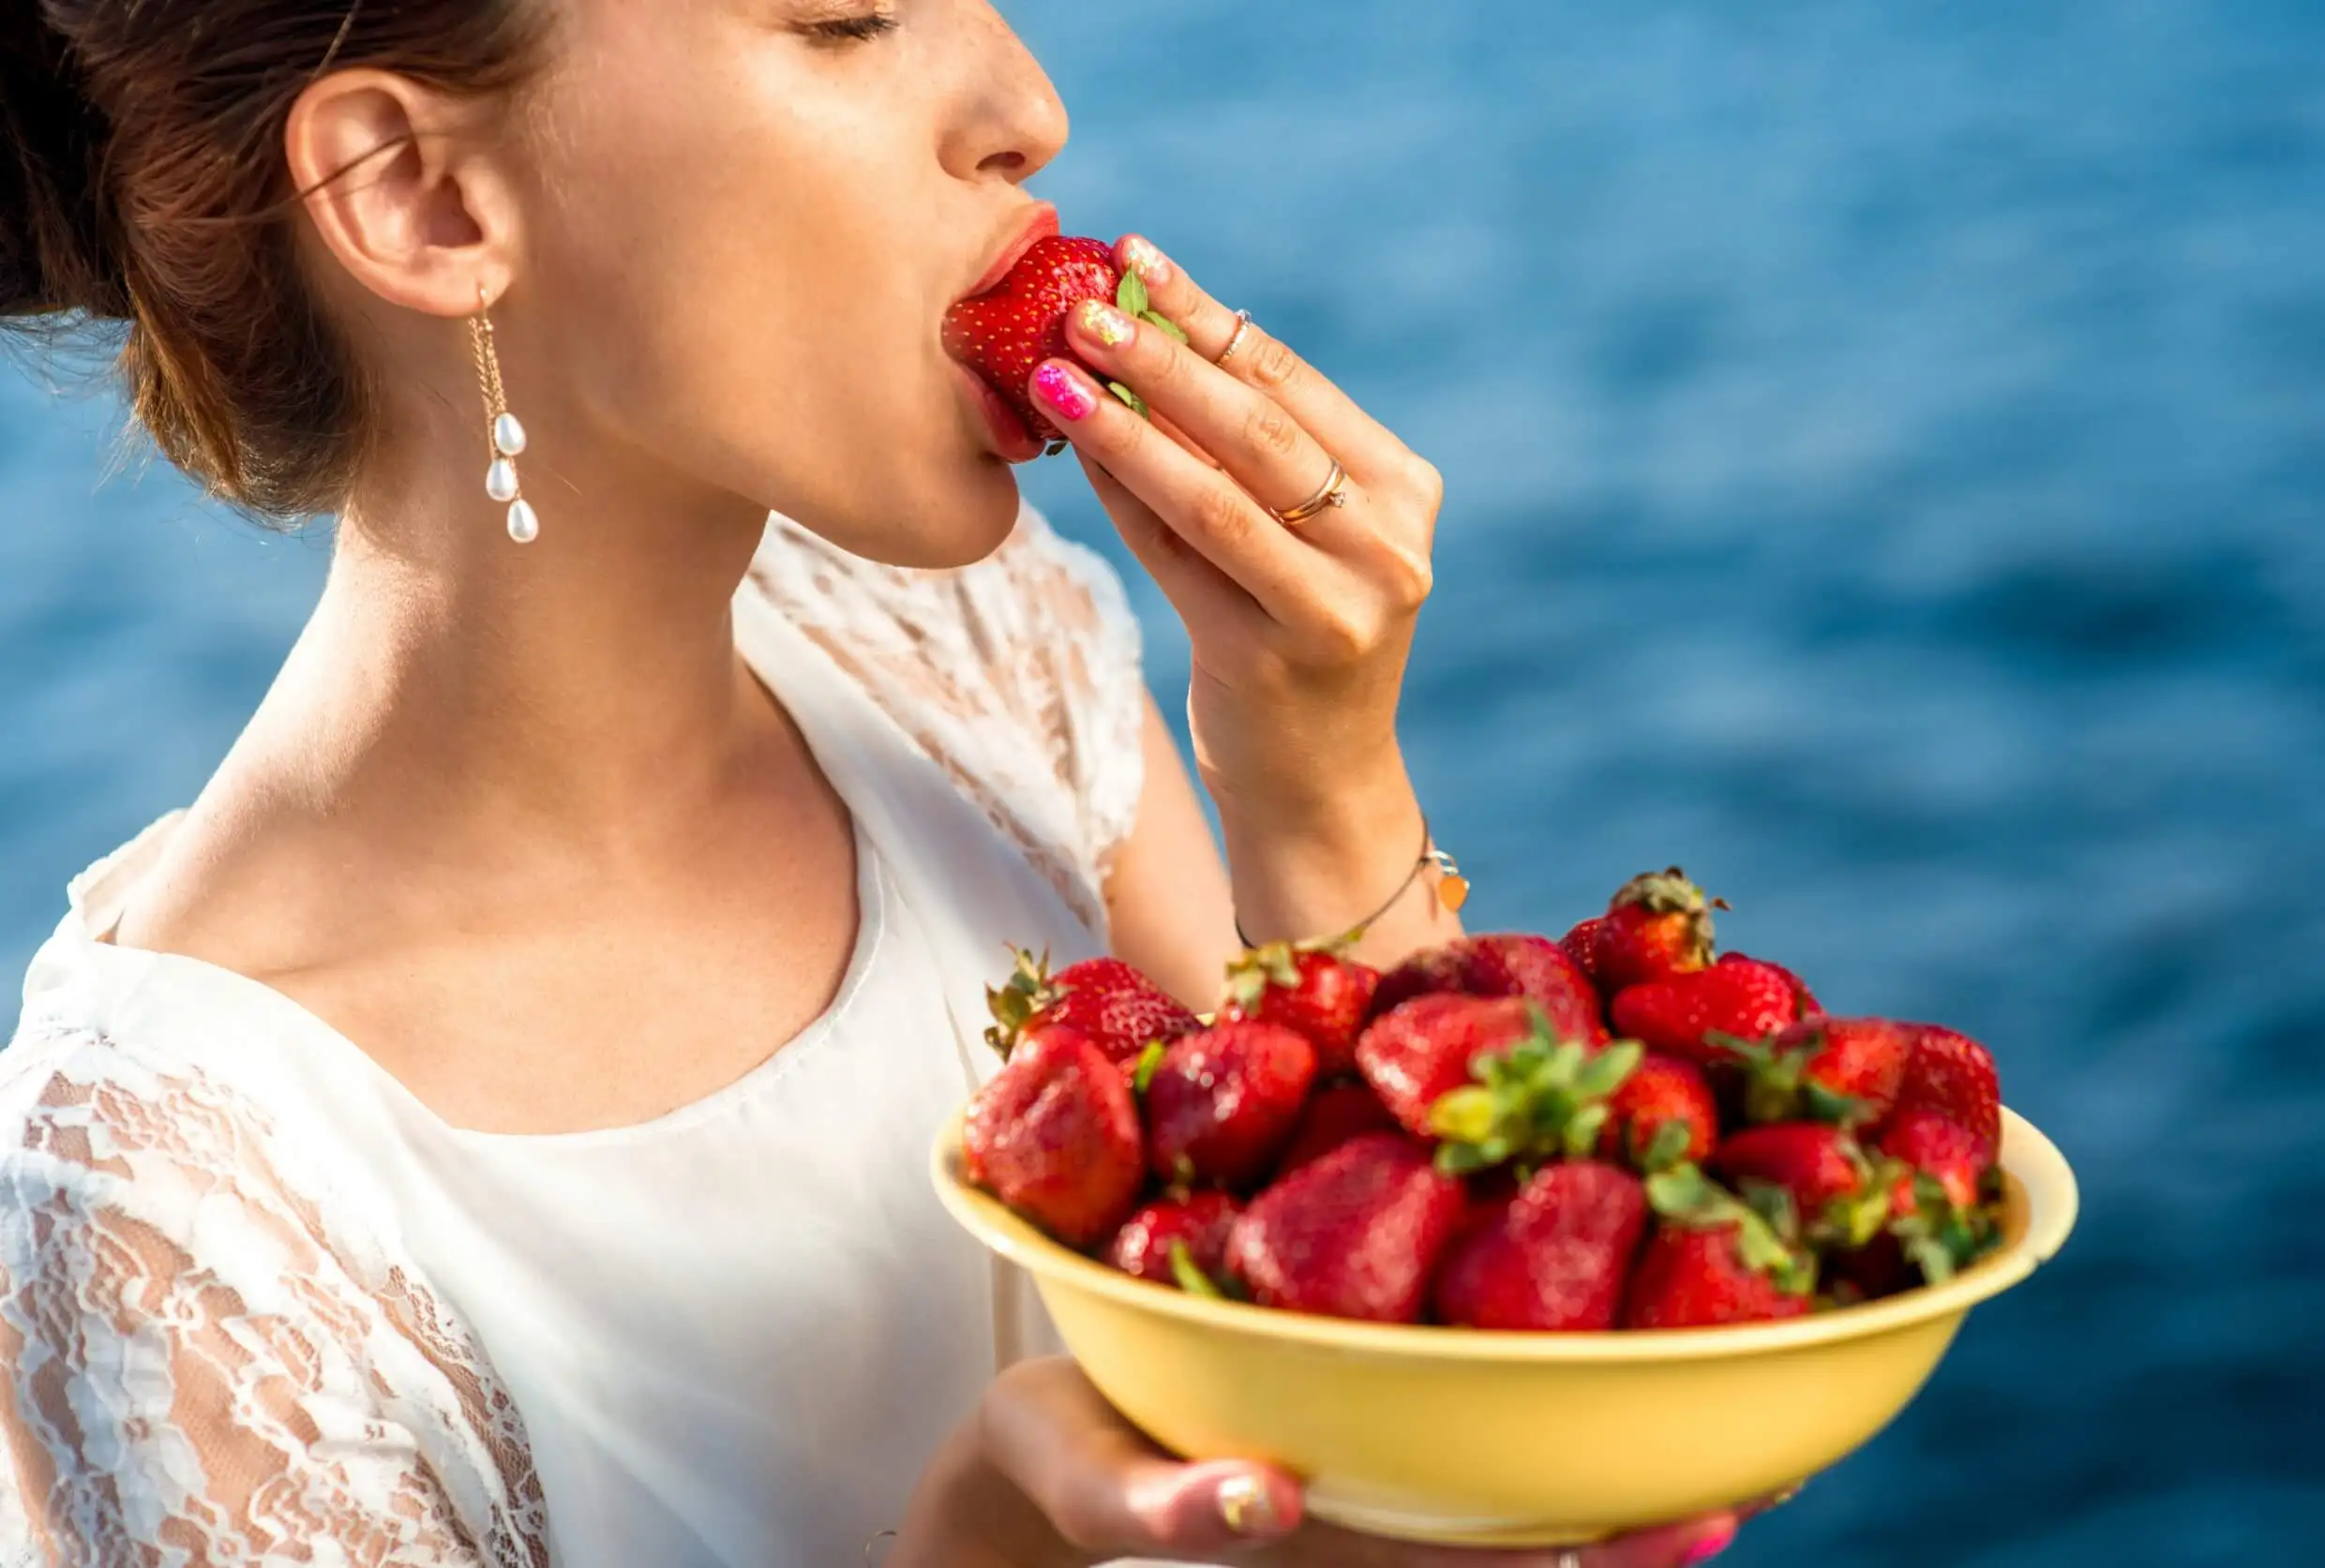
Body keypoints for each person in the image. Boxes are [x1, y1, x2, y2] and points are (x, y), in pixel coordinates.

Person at [0, 4, 1780, 1566]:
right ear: (424, 197)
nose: (1029, 106)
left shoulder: (970, 661)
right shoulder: (162, 1214)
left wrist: (1318, 788)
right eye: (846, 16)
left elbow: (1402, 1336)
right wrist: (994, 1544)